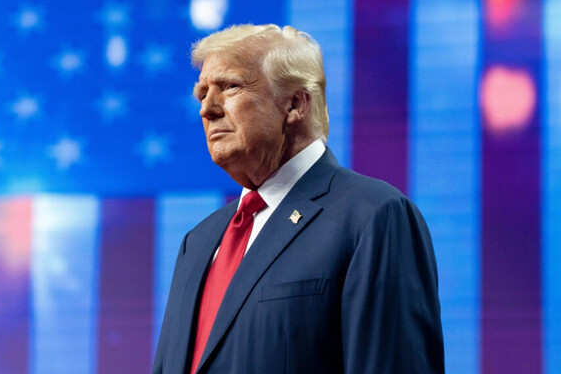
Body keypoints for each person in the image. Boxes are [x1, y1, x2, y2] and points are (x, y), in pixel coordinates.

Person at [152, 24, 444, 374]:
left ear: (294, 103)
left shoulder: (372, 217)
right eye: (202, 93)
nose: (207, 109)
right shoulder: (197, 243)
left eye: (230, 87)